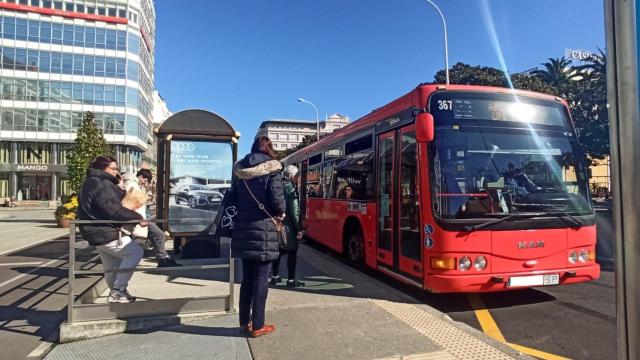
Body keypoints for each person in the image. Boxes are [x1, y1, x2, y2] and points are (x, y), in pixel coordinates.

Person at [231, 136, 285, 338]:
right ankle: (258, 325)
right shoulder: (273, 169)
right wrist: (282, 212)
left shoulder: (240, 171)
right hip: (264, 229)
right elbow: (277, 200)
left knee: (247, 280)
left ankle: (244, 323)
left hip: (243, 228)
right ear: (269, 149)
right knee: (261, 280)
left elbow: (234, 198)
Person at [77, 155, 145, 303]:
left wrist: (119, 189)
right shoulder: (101, 184)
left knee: (111, 266)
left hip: (94, 232)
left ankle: (117, 293)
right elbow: (114, 210)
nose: (116, 171)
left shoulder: (89, 182)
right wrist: (139, 218)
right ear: (103, 168)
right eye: (114, 168)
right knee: (135, 252)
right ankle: (118, 292)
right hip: (105, 231)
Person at [123, 170, 180, 267]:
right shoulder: (131, 184)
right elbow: (129, 203)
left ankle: (163, 257)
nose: (144, 183)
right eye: (144, 180)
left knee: (157, 235)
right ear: (140, 176)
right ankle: (163, 258)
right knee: (159, 234)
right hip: (137, 219)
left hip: (139, 218)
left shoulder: (134, 184)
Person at [271, 165, 305, 287]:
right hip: (289, 227)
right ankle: (290, 280)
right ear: (291, 176)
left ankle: (274, 277)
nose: (297, 178)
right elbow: (294, 211)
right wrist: (300, 228)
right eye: (296, 176)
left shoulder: (277, 186)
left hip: (277, 225)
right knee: (292, 252)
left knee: (278, 251)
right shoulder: (290, 189)